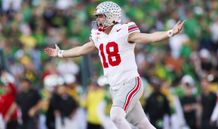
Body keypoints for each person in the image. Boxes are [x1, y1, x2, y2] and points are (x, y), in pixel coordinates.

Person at [44, 1, 184, 129]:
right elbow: (82, 49)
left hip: (130, 83)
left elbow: (148, 37)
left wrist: (170, 32)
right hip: (115, 88)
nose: (98, 19)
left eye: (101, 16)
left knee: (116, 116)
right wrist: (60, 53)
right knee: (142, 124)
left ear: (111, 16)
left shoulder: (124, 31)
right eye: (97, 16)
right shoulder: (98, 35)